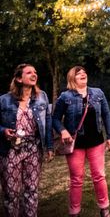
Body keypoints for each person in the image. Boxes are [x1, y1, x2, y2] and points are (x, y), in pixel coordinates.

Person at [52, 66, 110, 217]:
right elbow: (54, 118)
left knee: (99, 175)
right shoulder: (65, 96)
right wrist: (63, 130)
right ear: (72, 78)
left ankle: (105, 210)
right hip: (76, 144)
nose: (83, 74)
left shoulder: (98, 93)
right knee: (76, 179)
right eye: (78, 73)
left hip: (96, 142)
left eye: (84, 72)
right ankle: (74, 212)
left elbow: (107, 115)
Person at [0, 64, 53, 217]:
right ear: (18, 78)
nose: (34, 74)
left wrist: (49, 147)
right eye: (29, 72)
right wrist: (3, 131)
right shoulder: (3, 100)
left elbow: (47, 122)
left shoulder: (41, 96)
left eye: (35, 72)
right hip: (10, 150)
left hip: (34, 149)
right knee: (11, 193)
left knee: (32, 190)